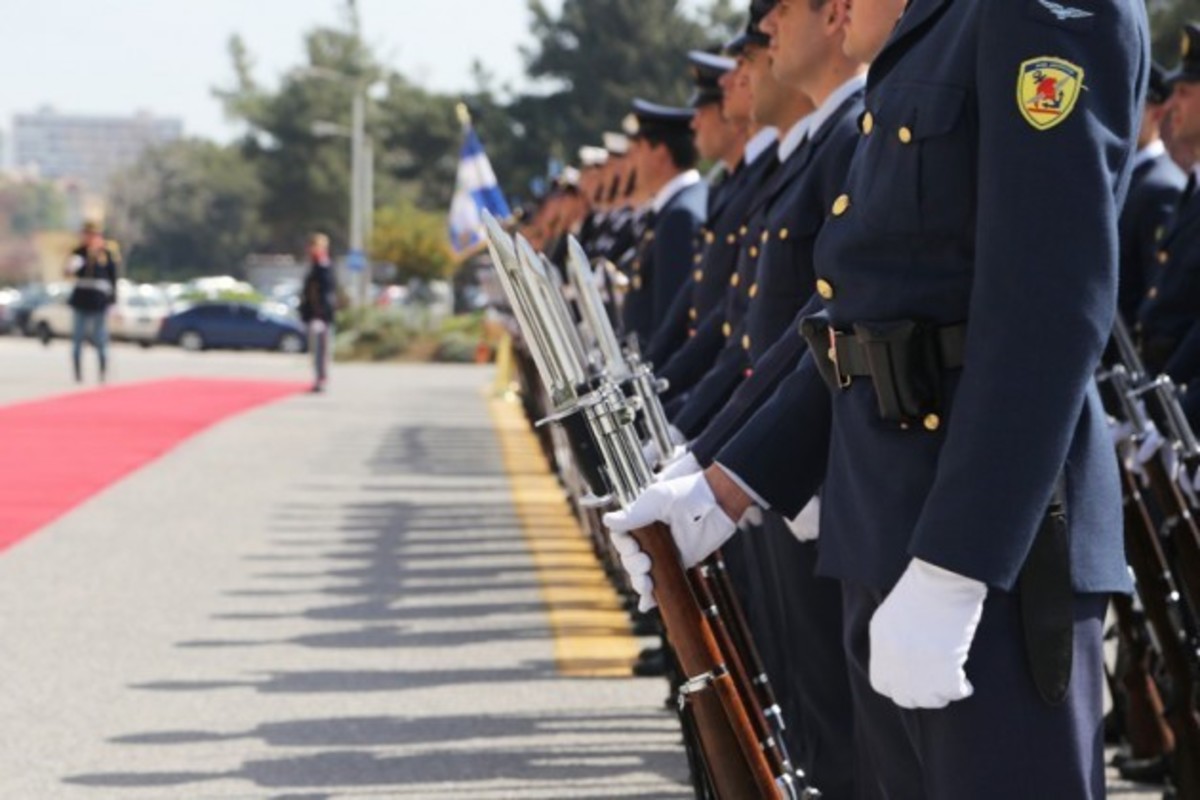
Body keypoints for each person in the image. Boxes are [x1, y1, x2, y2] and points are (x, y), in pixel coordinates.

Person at [609, 0, 1146, 796]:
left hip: (993, 554)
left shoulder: (1040, 13)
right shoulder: (939, 24)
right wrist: (722, 486)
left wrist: (957, 567)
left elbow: (1050, 306)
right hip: (885, 527)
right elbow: (859, 315)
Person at [619, 99, 708, 347]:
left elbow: (671, 320)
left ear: (660, 152)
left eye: (637, 150)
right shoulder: (672, 208)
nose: (631, 164)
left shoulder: (680, 215)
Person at [1118, 63, 1185, 327]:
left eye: (1133, 106)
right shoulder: (1134, 176)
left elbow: (1155, 291)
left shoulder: (1161, 187)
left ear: (1156, 114)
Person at [64, 220, 118, 384]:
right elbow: (68, 273)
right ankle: (78, 374)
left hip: (98, 301)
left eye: (93, 234)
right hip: (81, 299)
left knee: (100, 338)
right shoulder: (78, 252)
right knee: (78, 338)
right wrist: (76, 264)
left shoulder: (107, 253)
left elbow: (113, 278)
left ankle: (102, 373)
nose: (90, 237)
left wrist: (114, 301)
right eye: (87, 234)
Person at [299, 233, 337, 393]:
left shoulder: (322, 266)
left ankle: (321, 379)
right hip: (316, 314)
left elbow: (320, 293)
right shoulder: (316, 266)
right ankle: (319, 377)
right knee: (317, 351)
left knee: (321, 350)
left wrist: (318, 314)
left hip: (320, 315)